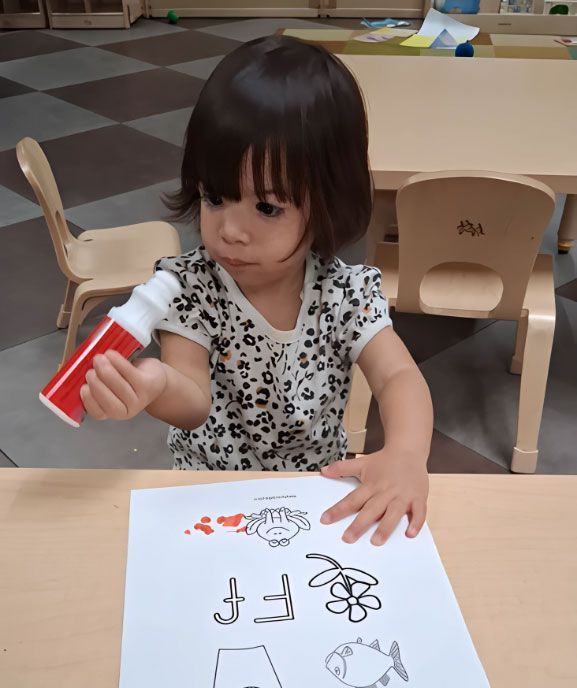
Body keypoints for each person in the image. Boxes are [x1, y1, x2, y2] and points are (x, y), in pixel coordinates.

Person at [80, 35, 433, 546]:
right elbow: (193, 400)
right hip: (208, 493)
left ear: (326, 203)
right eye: (215, 197)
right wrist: (155, 383)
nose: (230, 230)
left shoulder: (344, 293)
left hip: (313, 495)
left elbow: (398, 375)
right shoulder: (191, 287)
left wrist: (404, 454)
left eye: (267, 208)